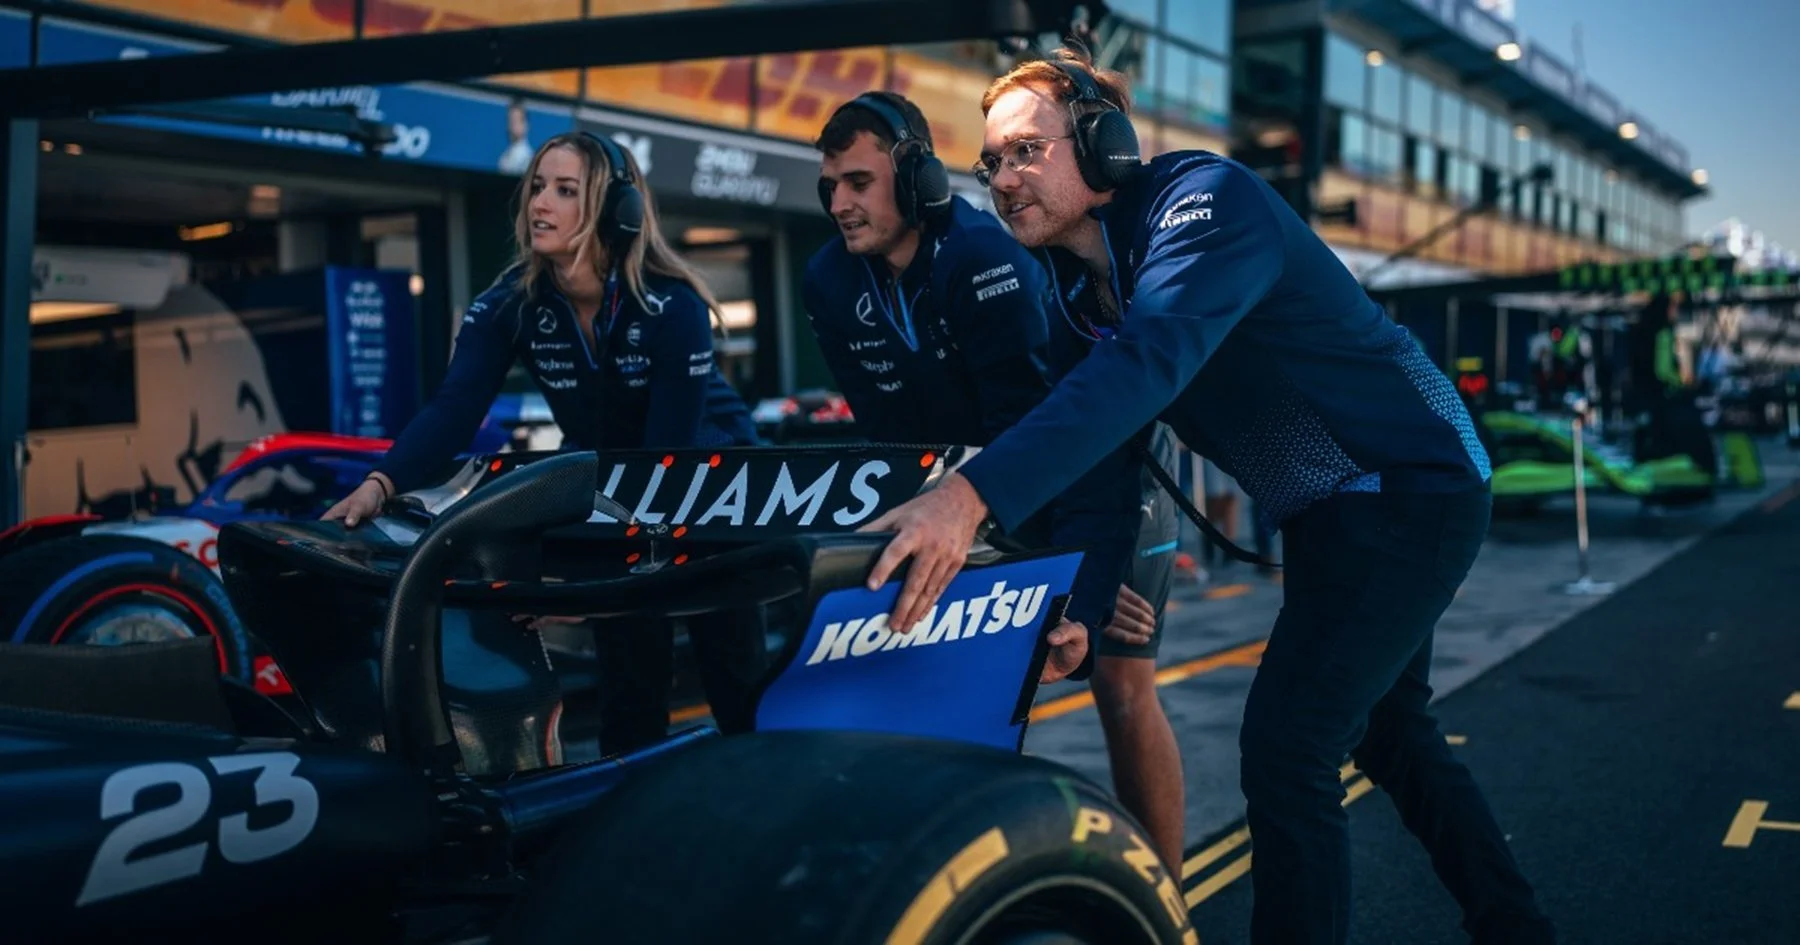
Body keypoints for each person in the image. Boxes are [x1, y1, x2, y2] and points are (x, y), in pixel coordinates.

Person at [856, 46, 1556, 945]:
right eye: (992, 160)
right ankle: (1517, 926)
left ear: (1106, 146)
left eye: (1027, 150)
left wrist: (965, 498)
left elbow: (1150, 362)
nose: (1003, 177)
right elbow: (1106, 465)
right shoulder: (1074, 287)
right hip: (1330, 510)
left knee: (1288, 746)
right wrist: (1087, 605)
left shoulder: (1205, 203)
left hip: (1413, 484)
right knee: (1389, 735)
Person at [803, 90, 1188, 868]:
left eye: (859, 183)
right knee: (959, 692)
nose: (839, 204)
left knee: (1117, 683)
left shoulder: (985, 258)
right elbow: (890, 443)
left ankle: (1166, 903)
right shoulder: (828, 278)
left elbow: (1056, 436)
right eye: (830, 187)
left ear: (916, 182)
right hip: (972, 501)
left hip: (1099, 481)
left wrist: (1086, 573)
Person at [323, 130, 765, 757]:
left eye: (564, 190)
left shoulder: (673, 306)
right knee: (631, 692)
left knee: (736, 684)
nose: (540, 204)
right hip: (620, 490)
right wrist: (379, 485)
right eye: (536, 187)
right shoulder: (512, 302)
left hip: (712, 488)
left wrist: (584, 588)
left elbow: (666, 462)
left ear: (618, 210)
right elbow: (453, 411)